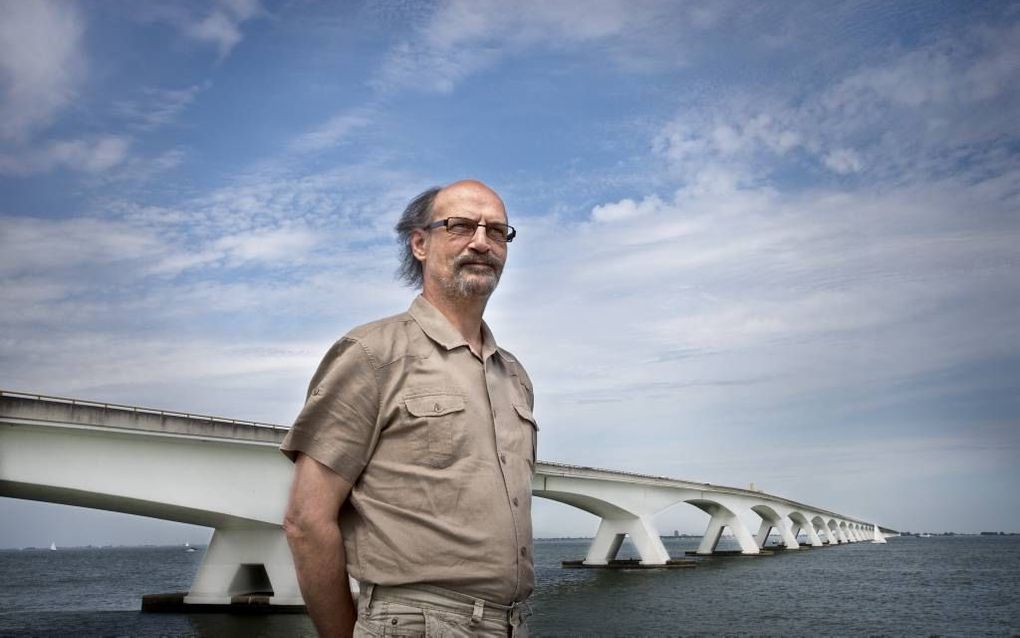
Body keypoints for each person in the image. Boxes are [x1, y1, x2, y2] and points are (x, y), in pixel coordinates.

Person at [281, 179, 538, 637]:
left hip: (510, 625)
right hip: (416, 625)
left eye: (497, 231)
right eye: (460, 226)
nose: (482, 242)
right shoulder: (371, 354)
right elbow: (306, 520)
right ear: (420, 243)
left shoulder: (513, 375)